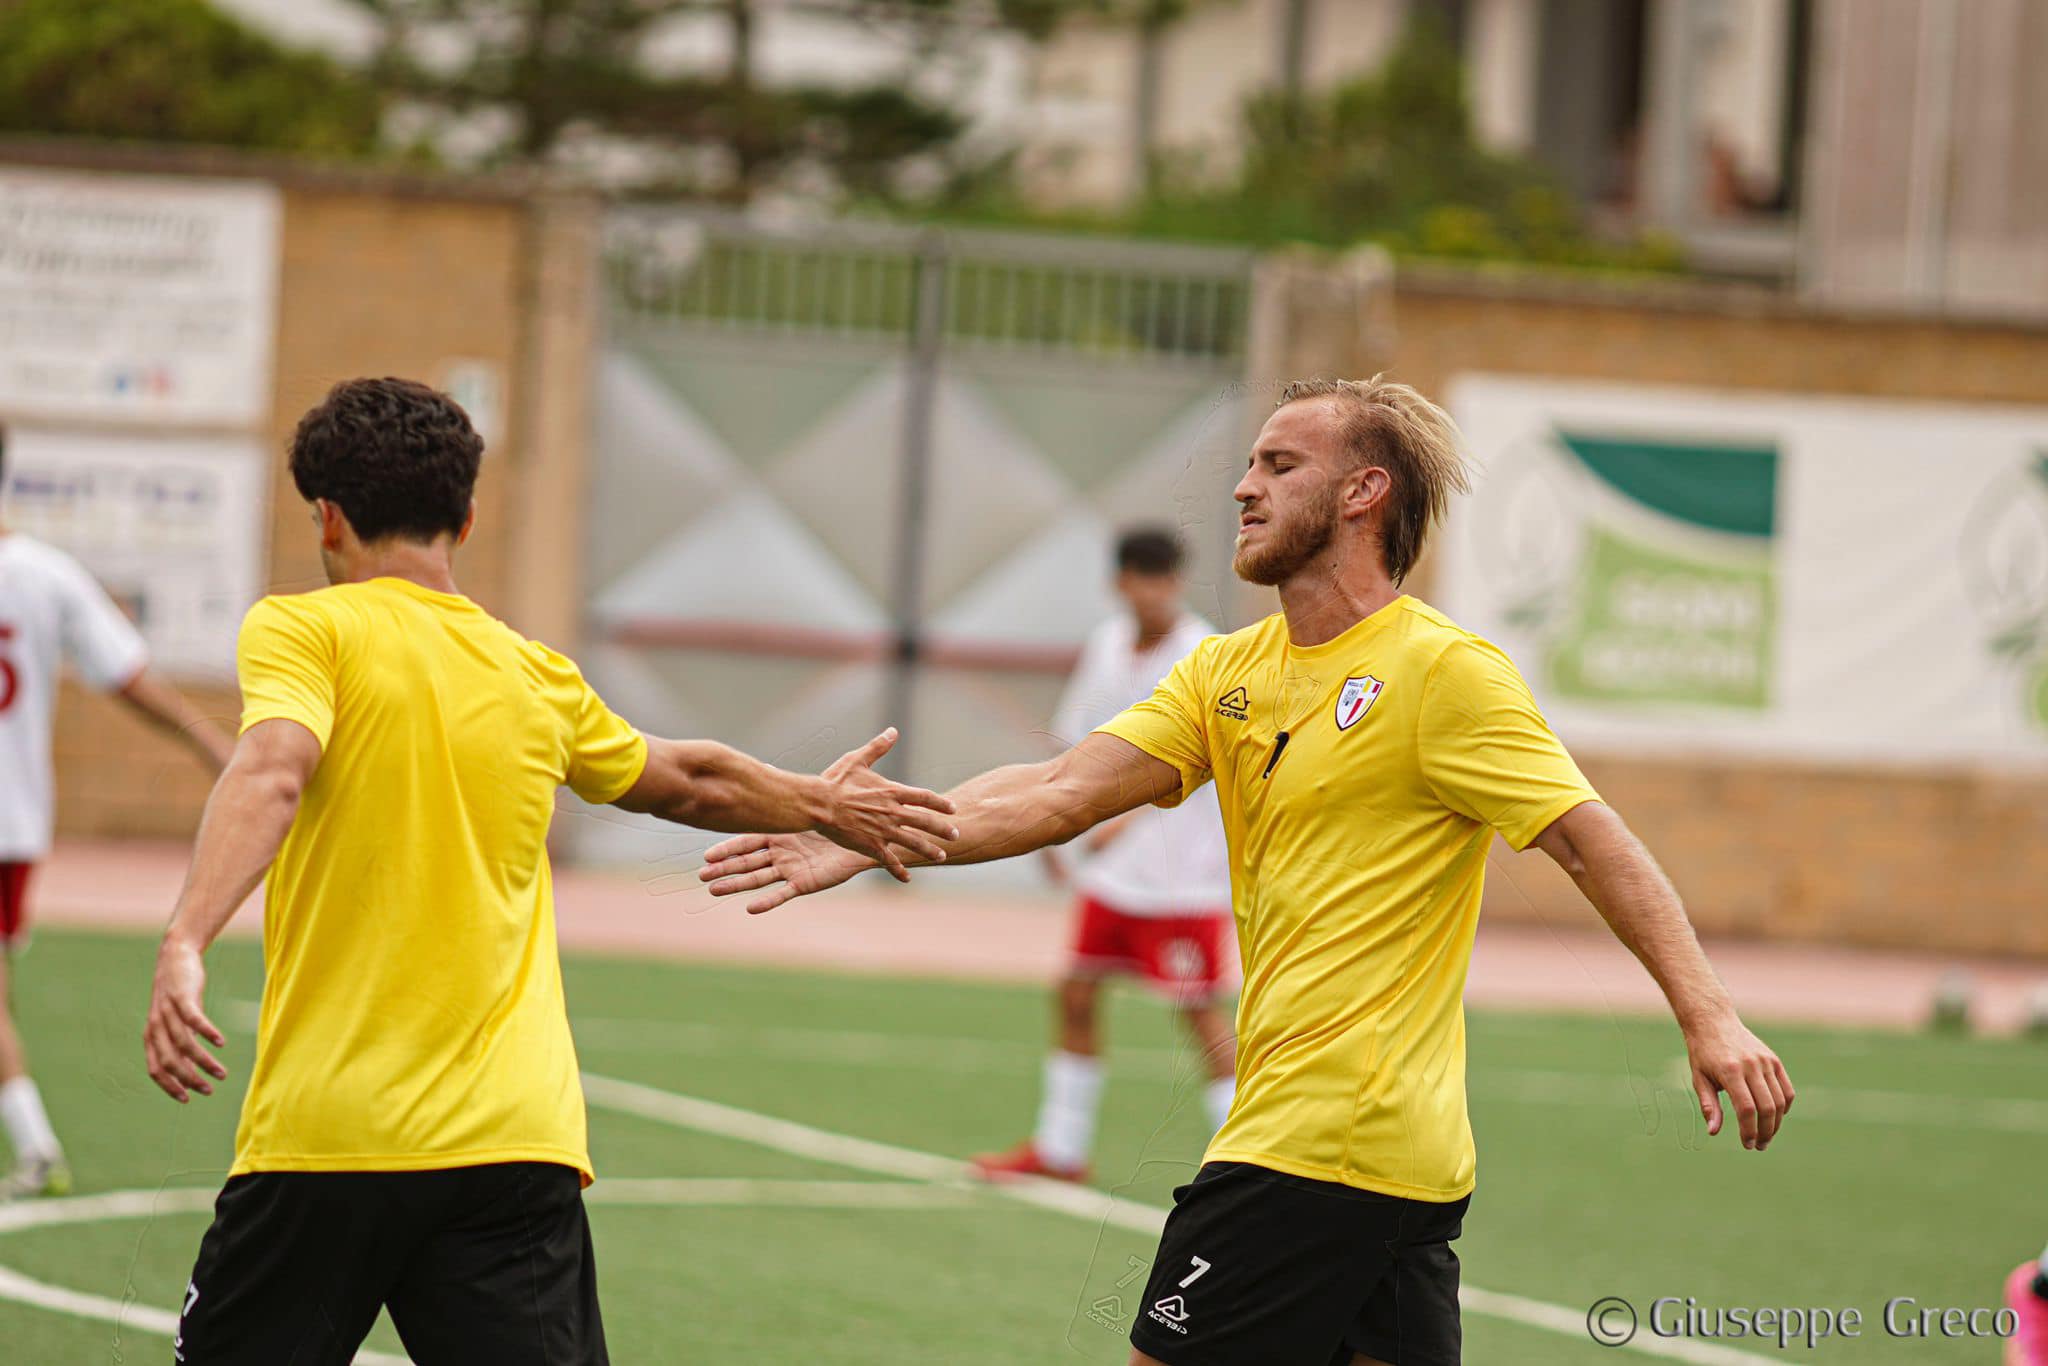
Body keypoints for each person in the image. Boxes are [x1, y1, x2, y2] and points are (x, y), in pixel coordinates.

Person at [700, 375, 1795, 1366]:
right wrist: (856, 826)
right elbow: (1057, 789)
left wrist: (1707, 1014)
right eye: (1247, 464)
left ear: (1363, 492)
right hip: (1387, 1159)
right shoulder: (1226, 671)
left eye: (1277, 465)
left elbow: (1585, 837)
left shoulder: (1443, 672)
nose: (1240, 486)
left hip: (1317, 1141)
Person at [141, 377, 956, 1366]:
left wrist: (186, 936)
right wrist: (827, 805)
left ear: (327, 516)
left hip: (332, 1136)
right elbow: (686, 778)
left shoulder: (306, 629)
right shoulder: (532, 671)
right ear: (468, 517)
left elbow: (272, 767)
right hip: (513, 1143)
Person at [0, 421, 233, 1201]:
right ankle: (34, 1144)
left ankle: (37, 1147)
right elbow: (128, 676)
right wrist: (206, 740)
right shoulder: (43, 574)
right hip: (18, 823)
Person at [972, 526, 1235, 1185]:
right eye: (1143, 578)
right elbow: (1076, 748)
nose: (1155, 592)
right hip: (1113, 877)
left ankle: (1248, 1169)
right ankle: (1061, 1149)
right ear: (1120, 583)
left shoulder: (1204, 653)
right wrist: (1042, 827)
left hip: (1181, 877)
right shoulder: (1107, 646)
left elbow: (1205, 762)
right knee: (1077, 990)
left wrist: (1129, 813)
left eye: (1166, 579)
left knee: (1198, 1011)